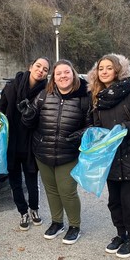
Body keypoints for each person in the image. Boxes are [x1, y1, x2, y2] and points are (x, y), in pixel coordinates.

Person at [87, 54, 130, 258]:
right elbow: (96, 124)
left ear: (117, 70)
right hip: (110, 157)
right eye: (101, 68)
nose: (105, 71)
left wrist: (125, 127)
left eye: (109, 68)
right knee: (114, 201)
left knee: (129, 202)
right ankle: (120, 234)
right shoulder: (97, 96)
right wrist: (92, 136)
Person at [20, 59, 91, 244]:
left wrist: (80, 134)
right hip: (43, 152)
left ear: (73, 74)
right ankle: (57, 222)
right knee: (51, 190)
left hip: (68, 153)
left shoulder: (84, 98)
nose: (63, 76)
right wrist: (26, 114)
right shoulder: (44, 95)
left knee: (67, 191)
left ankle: (74, 225)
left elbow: (92, 125)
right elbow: (30, 122)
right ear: (54, 77)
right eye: (58, 73)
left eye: (66, 72)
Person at [0, 58, 50, 231]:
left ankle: (34, 209)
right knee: (15, 181)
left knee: (32, 180)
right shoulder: (12, 87)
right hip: (11, 142)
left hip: (31, 144)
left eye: (45, 69)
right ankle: (23, 212)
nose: (41, 70)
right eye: (38, 66)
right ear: (30, 67)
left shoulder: (47, 93)